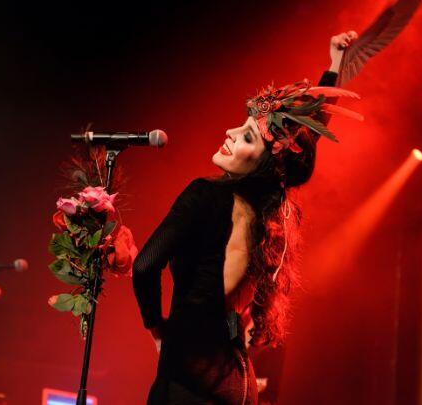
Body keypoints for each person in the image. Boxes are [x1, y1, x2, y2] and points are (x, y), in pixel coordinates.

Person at [132, 30, 361, 405]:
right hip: (238, 385)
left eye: (248, 137)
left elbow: (145, 266)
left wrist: (157, 331)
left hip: (187, 382)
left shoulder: (204, 195)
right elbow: (306, 137)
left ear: (266, 160)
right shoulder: (272, 210)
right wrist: (334, 66)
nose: (230, 133)